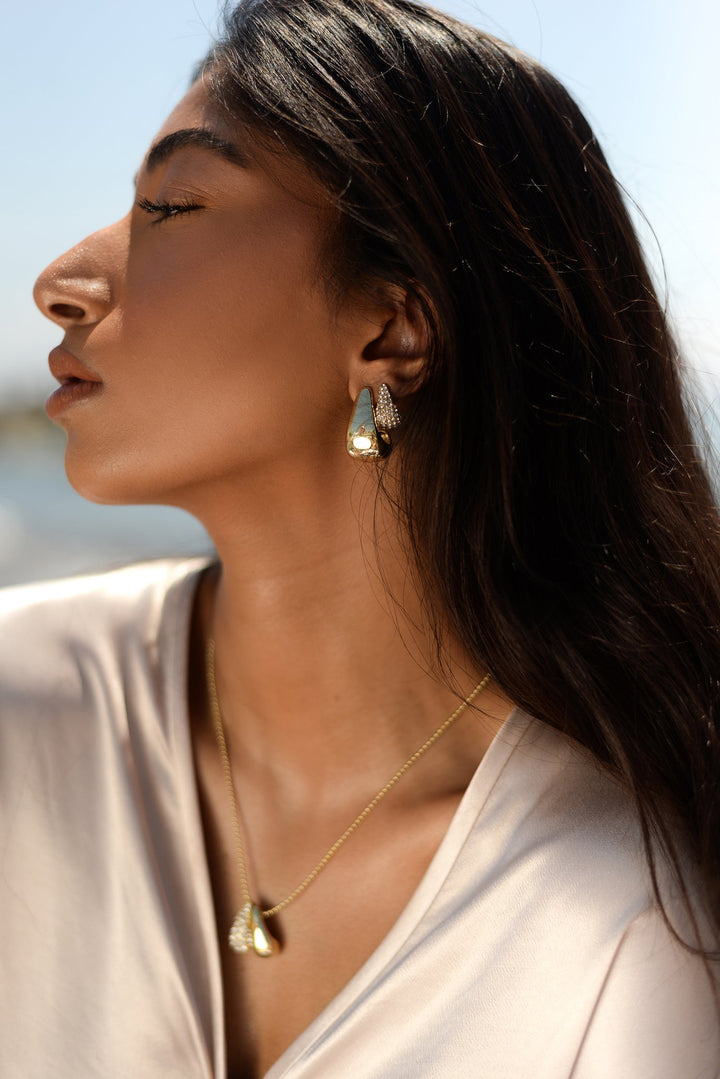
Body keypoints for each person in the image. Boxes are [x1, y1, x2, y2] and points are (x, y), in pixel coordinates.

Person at [1, 0, 719, 1075]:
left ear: (391, 327)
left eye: (171, 206)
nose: (59, 282)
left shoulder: (616, 920)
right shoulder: (22, 702)